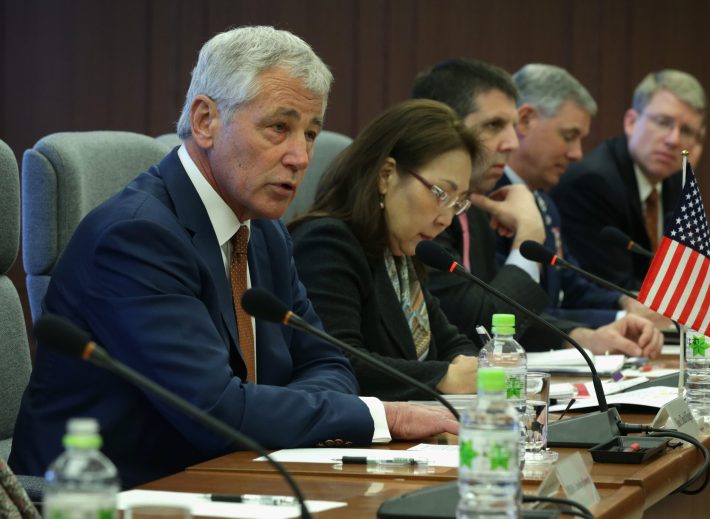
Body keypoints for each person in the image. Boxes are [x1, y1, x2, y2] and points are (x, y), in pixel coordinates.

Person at [9, 26, 456, 489]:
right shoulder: (137, 236)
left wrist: (270, 411)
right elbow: (212, 411)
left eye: (311, 133)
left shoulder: (264, 234)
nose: (301, 156)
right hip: (113, 494)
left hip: (234, 477)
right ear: (205, 120)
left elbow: (330, 364)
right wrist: (382, 415)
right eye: (279, 128)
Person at [413, 58, 663, 358]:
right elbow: (486, 324)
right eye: (494, 125)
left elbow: (502, 317)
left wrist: (581, 335)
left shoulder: (479, 206)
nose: (512, 143)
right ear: (445, 128)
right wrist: (528, 234)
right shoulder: (435, 212)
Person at [290, 100, 481, 401]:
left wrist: (465, 366)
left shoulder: (401, 256)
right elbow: (338, 361)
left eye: (458, 202)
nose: (445, 218)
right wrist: (444, 376)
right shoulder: (327, 243)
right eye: (440, 194)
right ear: (385, 175)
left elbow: (453, 342)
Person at [502, 63, 666, 328]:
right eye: (569, 136)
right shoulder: (492, 201)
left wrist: (623, 303)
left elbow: (571, 284)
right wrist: (617, 319)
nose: (577, 153)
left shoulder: (544, 201)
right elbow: (511, 312)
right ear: (525, 120)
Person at [551, 69, 706, 291]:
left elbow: (691, 269)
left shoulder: (675, 180)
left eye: (687, 131)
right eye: (663, 122)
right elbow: (616, 286)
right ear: (631, 122)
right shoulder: (594, 183)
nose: (673, 140)